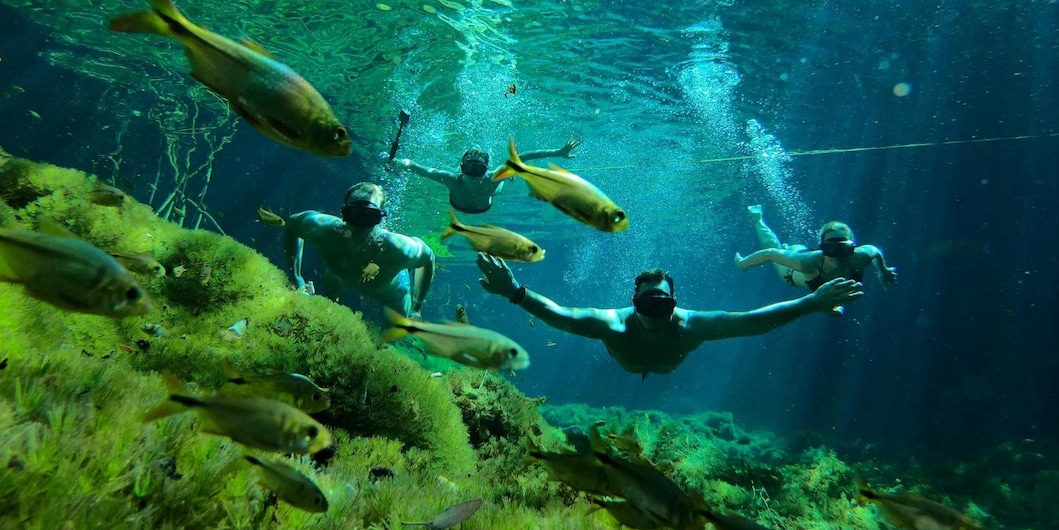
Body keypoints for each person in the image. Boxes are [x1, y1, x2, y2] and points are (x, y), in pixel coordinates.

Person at [475, 253, 862, 377]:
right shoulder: (613, 324)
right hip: (623, 362)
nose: (654, 314)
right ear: (634, 303)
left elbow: (752, 321)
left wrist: (810, 302)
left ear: (675, 303)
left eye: (662, 304)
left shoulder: (693, 326)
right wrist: (513, 291)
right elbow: (560, 316)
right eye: (646, 305)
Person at [284, 182, 434, 317]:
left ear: (380, 218)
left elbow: (429, 258)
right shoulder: (321, 228)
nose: (360, 225)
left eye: (369, 216)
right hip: (338, 279)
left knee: (398, 333)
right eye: (354, 214)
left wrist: (417, 306)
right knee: (322, 314)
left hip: (391, 291)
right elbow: (291, 226)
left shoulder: (397, 247)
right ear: (343, 214)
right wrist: (296, 276)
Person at [733, 206, 898, 314]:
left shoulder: (860, 257)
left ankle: (789, 247)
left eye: (842, 248)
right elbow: (770, 253)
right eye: (831, 249)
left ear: (852, 248)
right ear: (822, 249)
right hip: (793, 272)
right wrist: (743, 264)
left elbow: (875, 251)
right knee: (778, 249)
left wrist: (882, 270)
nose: (837, 255)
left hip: (805, 255)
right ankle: (758, 219)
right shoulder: (808, 263)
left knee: (789, 250)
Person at [393, 134, 583, 214]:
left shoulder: (490, 178)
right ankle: (509, 174)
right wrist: (402, 163)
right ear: (461, 168)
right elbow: (416, 167)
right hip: (472, 202)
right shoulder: (451, 180)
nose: (474, 175)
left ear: (486, 169)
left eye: (479, 169)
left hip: (490, 192)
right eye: (469, 169)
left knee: (504, 175)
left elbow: (522, 157)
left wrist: (558, 152)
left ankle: (509, 176)